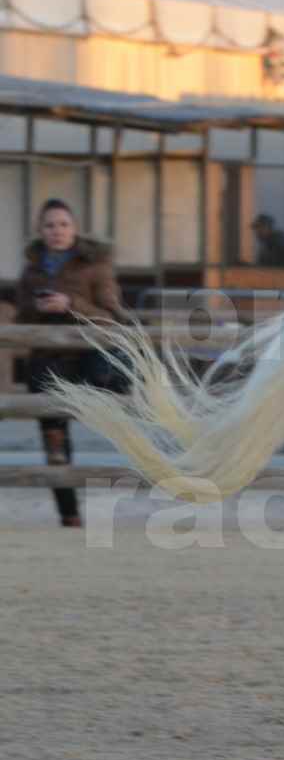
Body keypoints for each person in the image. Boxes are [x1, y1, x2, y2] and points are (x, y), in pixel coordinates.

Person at [15, 199, 132, 528]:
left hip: (86, 356)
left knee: (107, 378)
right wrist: (39, 309)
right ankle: (69, 515)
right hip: (47, 359)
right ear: (40, 231)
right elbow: (22, 317)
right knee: (54, 446)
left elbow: (113, 317)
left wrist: (71, 304)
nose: (57, 231)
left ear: (75, 228)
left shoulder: (96, 265)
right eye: (50, 225)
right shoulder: (31, 271)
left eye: (63, 224)